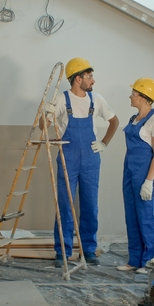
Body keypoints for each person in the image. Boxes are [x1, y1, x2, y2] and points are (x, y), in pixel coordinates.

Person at [40, 57, 119, 267]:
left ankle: (89, 249)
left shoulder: (97, 99)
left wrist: (104, 143)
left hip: (91, 158)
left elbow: (114, 121)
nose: (92, 80)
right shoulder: (61, 100)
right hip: (68, 156)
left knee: (90, 205)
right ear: (77, 79)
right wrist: (45, 113)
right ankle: (63, 252)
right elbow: (43, 127)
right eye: (89, 76)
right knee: (65, 205)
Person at [117, 77, 154, 274]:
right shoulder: (133, 119)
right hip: (129, 173)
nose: (131, 96)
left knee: (146, 217)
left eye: (134, 94)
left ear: (144, 98)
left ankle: (151, 261)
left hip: (145, 175)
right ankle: (135, 259)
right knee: (132, 216)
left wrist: (149, 181)